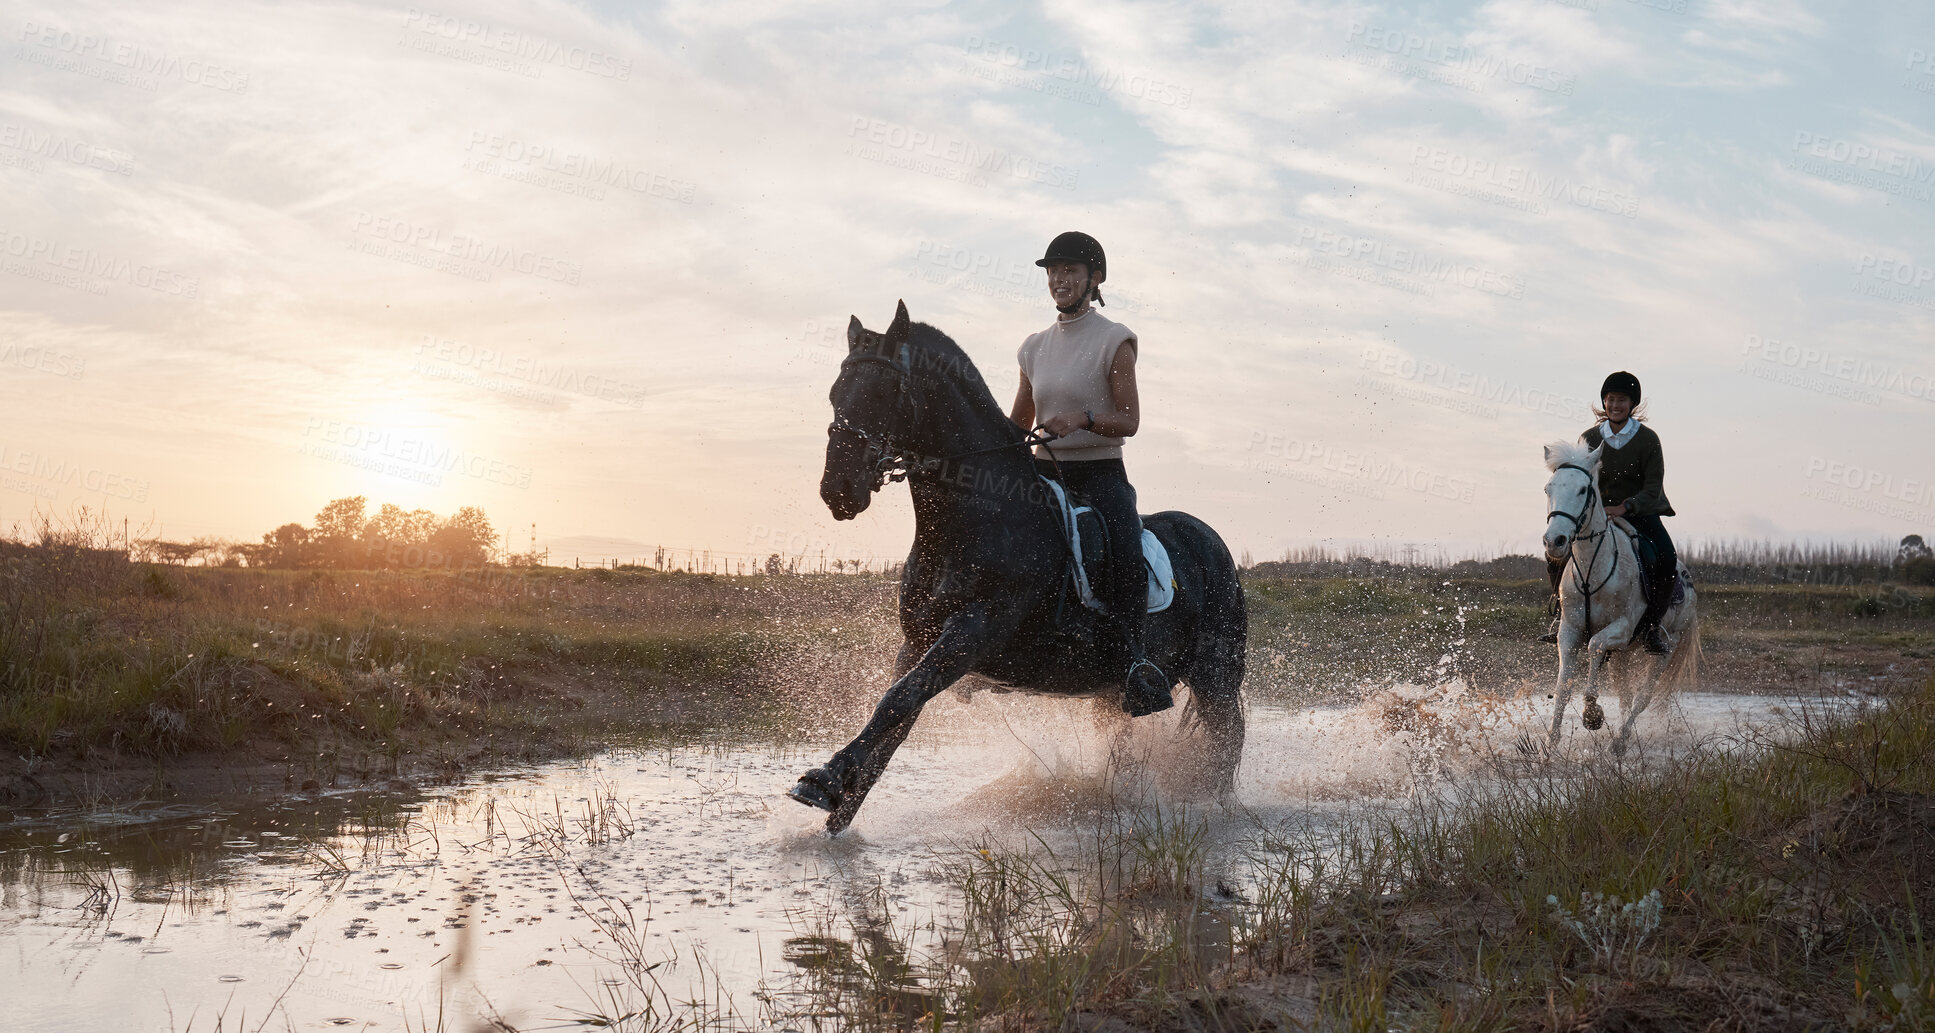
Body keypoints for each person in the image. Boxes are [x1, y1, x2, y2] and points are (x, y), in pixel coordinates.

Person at [1007, 231, 1172, 717]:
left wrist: (1080, 420)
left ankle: (1135, 664)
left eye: (1071, 271)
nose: (1060, 279)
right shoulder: (1033, 347)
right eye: (1053, 271)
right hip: (1044, 477)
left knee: (1123, 551)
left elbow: (1130, 420)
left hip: (1100, 477)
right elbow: (1017, 424)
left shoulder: (1114, 340)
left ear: (1093, 279)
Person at [1540, 371, 1678, 653]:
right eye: (1611, 399)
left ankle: (1652, 627)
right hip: (1594, 516)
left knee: (1666, 557)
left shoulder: (1648, 439)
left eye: (1622, 400)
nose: (1615, 405)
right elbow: (1577, 480)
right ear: (1604, 402)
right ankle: (1560, 615)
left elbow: (1653, 487)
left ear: (1632, 404)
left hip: (1639, 513)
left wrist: (1626, 507)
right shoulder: (1589, 438)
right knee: (1555, 552)